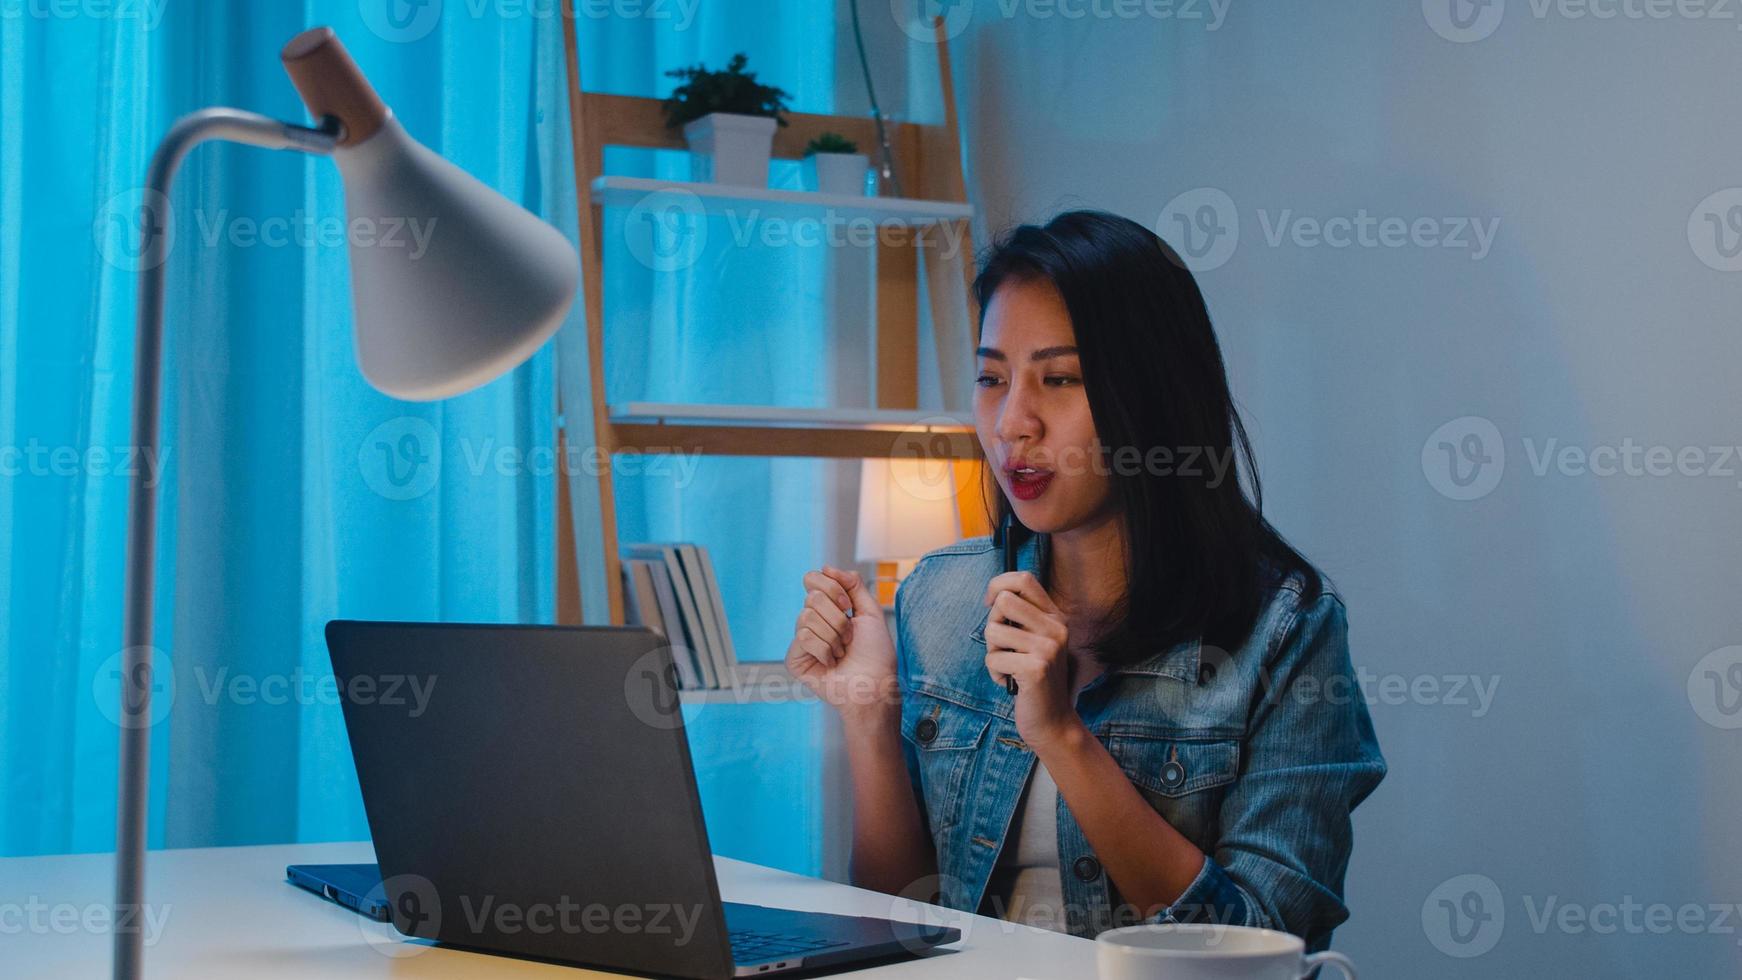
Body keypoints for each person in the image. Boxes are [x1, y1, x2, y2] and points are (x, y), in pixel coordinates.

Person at [785, 210, 1385, 949]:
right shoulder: (939, 598)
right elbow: (901, 930)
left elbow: (1257, 949)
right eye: (991, 377)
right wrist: (869, 717)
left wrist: (1062, 735)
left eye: (1059, 379)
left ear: (1154, 395)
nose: (1012, 423)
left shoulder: (1286, 629)